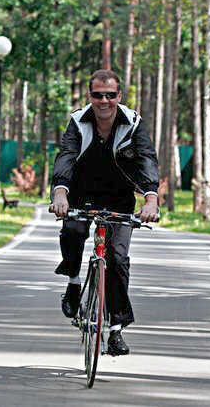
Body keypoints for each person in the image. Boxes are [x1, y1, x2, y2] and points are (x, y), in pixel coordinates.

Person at [50, 69, 159, 356]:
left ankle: (116, 330)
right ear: (90, 96)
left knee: (118, 258)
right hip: (82, 193)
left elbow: (146, 158)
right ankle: (74, 283)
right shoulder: (77, 121)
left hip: (120, 198)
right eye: (98, 95)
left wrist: (150, 198)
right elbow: (66, 157)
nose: (104, 101)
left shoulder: (133, 123)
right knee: (72, 232)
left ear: (119, 96)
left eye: (110, 95)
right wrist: (60, 192)